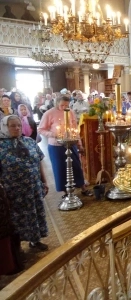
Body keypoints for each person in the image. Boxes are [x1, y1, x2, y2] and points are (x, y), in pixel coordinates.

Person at [0, 115, 49, 251]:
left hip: (33, 187)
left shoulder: (30, 142)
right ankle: (16, 248)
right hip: (13, 191)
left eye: (19, 125)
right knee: (16, 218)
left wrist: (44, 181)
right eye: (12, 126)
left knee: (35, 213)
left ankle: (35, 241)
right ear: (5, 127)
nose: (16, 128)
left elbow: (39, 161)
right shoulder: (1, 146)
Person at [38, 96, 93, 198]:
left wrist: (79, 144)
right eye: (62, 105)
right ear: (56, 103)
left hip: (71, 143)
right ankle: (65, 192)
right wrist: (54, 134)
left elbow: (75, 129)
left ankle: (83, 187)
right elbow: (41, 129)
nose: (64, 108)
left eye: (67, 105)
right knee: (60, 168)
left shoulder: (70, 112)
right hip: (56, 146)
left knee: (76, 166)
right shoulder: (49, 113)